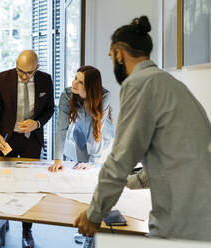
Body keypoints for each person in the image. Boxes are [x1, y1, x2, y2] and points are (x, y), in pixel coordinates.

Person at [74, 16, 211, 241]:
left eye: (111, 57)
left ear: (119, 54)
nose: (112, 63)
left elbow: (120, 159)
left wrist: (94, 214)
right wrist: (128, 184)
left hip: (181, 224)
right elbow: (168, 158)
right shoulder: (172, 84)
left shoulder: (138, 84)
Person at [0, 50, 55, 248]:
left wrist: (37, 124)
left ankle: (27, 229)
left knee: (28, 185)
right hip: (7, 138)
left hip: (31, 139)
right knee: (4, 181)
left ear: (37, 68)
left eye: (28, 73)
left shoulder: (45, 80)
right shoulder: (3, 78)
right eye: (20, 71)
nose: (24, 77)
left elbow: (50, 109)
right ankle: (1, 223)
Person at [49, 65, 114, 172]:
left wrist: (93, 162)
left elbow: (98, 129)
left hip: (101, 139)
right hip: (80, 137)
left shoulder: (104, 96)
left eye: (81, 82)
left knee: (96, 171)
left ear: (90, 87)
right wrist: (58, 160)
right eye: (75, 78)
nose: (74, 83)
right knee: (81, 170)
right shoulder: (67, 95)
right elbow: (61, 128)